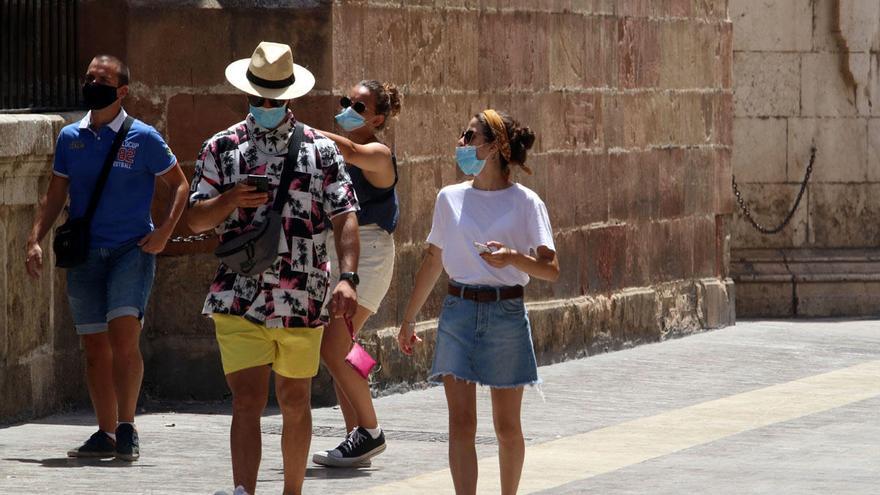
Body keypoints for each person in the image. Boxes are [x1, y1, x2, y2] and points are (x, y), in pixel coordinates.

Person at [186, 42, 360, 495]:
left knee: (295, 399)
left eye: (274, 99)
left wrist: (348, 276)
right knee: (246, 401)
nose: (266, 106)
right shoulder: (221, 147)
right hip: (238, 294)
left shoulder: (321, 151)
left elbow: (346, 217)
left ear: (289, 97)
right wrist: (228, 201)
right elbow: (196, 217)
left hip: (302, 296)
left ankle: (292, 491)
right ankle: (244, 489)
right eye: (258, 98)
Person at [25, 54, 189, 461]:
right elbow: (56, 192)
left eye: (101, 79)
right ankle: (104, 431)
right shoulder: (70, 138)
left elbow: (179, 185)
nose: (92, 83)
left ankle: (127, 425)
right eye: (89, 77)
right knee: (94, 347)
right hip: (84, 254)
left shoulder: (144, 137)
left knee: (123, 335)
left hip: (130, 251)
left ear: (122, 90)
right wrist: (34, 239)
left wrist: (164, 233)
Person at [397, 110, 559, 495]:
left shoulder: (525, 202)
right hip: (459, 310)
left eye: (469, 136)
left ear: (495, 146)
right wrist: (408, 319)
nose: (461, 144)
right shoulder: (449, 198)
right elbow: (434, 259)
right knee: (461, 424)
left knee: (506, 426)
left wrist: (512, 258)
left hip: (506, 312)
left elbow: (550, 269)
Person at [310, 80, 402, 468]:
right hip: (338, 250)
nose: (347, 108)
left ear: (378, 118)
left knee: (333, 347)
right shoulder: (333, 157)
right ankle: (357, 436)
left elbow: (349, 149)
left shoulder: (378, 153)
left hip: (369, 252)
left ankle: (370, 430)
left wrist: (300, 129)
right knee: (341, 349)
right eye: (345, 101)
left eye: (359, 106)